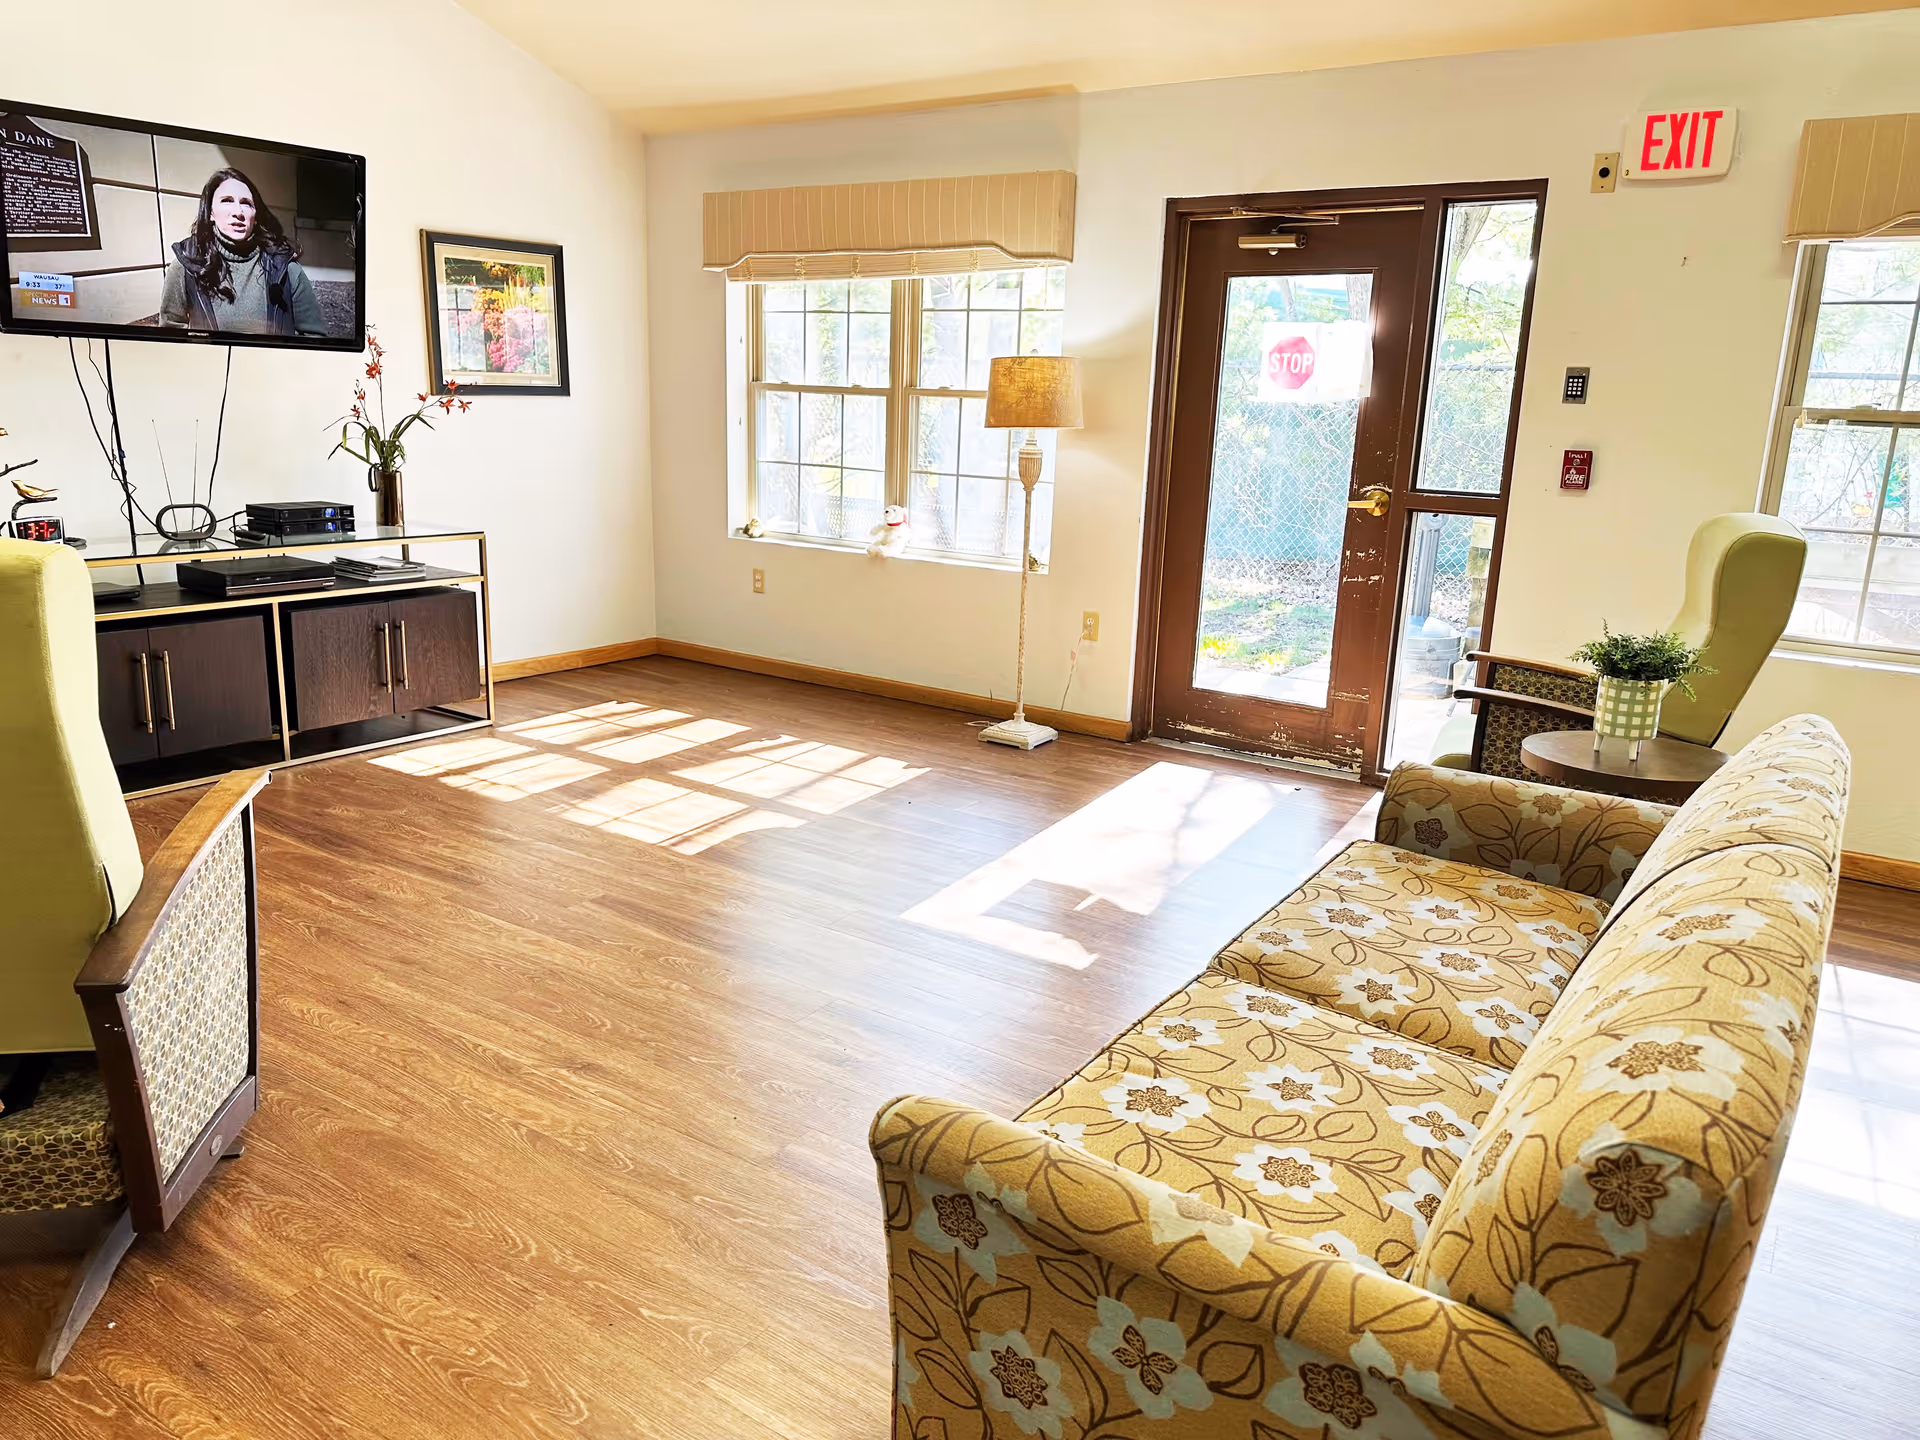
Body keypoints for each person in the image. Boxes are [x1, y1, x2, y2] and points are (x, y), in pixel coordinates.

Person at [159, 167, 325, 337]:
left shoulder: (285, 268)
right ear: (210, 213)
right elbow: (170, 334)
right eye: (226, 200)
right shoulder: (186, 264)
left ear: (255, 215)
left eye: (246, 203)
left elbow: (315, 337)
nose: (238, 212)